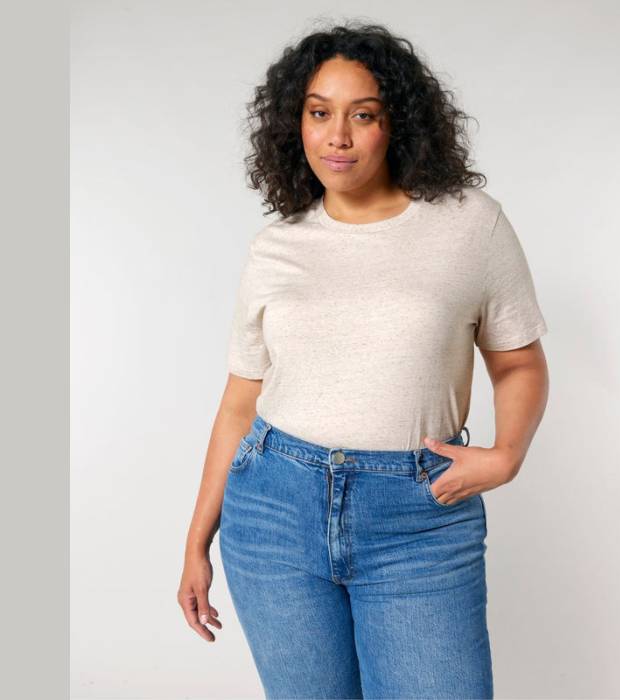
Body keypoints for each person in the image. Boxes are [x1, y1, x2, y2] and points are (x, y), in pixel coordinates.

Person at [177, 21, 549, 700]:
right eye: (320, 113)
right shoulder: (276, 247)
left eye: (363, 115)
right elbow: (239, 402)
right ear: (296, 125)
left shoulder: (470, 224)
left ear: (396, 124)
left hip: (418, 516)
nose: (338, 137)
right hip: (273, 511)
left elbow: (519, 362)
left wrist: (507, 455)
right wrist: (196, 544)